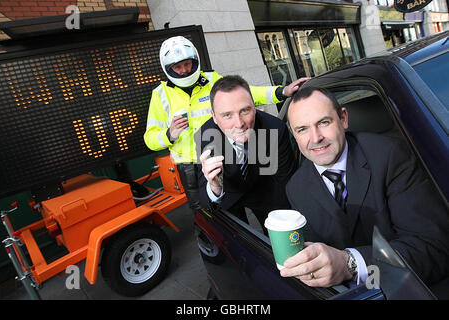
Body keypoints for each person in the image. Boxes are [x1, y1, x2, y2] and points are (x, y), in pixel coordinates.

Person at [282, 86, 449, 287]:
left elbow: (434, 249)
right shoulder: (296, 188)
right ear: (293, 133)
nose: (316, 138)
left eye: (324, 122)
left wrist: (349, 265)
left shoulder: (390, 156)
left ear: (343, 118)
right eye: (302, 129)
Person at [144, 36, 305, 210]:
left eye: (188, 64)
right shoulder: (160, 95)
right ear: (169, 68)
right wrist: (169, 134)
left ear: (195, 61)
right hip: (192, 163)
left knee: (241, 197)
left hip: (224, 153)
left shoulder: (212, 80)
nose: (184, 70)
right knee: (208, 211)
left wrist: (281, 91)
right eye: (178, 66)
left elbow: (245, 94)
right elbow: (149, 138)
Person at [195, 75, 302, 233]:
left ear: (255, 107)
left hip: (264, 187)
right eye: (227, 115)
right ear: (214, 117)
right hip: (229, 191)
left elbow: (285, 182)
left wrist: (284, 224)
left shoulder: (275, 129)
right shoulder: (206, 135)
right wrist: (215, 187)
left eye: (245, 110)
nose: (239, 124)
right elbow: (205, 198)